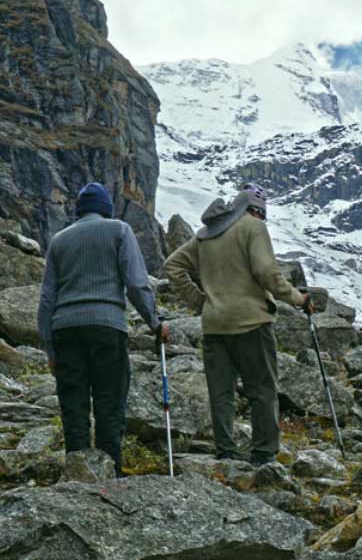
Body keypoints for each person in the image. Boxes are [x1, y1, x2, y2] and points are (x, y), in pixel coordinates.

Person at [163, 185, 312, 465]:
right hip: (251, 322)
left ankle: (226, 451)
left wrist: (200, 302)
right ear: (256, 209)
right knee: (262, 389)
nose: (262, 217)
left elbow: (172, 266)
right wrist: (297, 299)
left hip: (214, 325)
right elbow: (266, 272)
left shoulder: (206, 234)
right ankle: (263, 454)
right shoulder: (252, 227)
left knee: (221, 392)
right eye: (261, 213)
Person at [37, 182, 168, 476]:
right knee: (109, 402)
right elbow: (136, 283)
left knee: (74, 406)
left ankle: (78, 474)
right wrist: (154, 322)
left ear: (79, 211)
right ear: (106, 209)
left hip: (65, 329)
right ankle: (111, 474)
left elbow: (46, 299)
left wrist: (50, 350)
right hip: (107, 327)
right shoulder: (119, 230)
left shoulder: (59, 241)